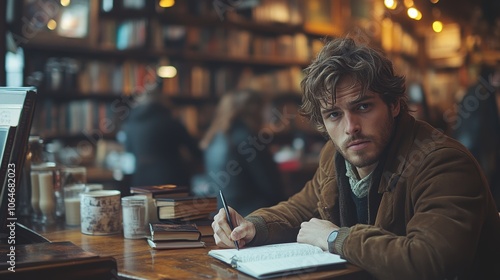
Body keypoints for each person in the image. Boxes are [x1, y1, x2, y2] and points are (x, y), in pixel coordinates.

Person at [212, 37, 500, 280]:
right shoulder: (335, 154)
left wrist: (336, 239)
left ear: (395, 104)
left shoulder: (444, 163)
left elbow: (431, 260)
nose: (350, 127)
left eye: (363, 106)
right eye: (334, 115)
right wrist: (253, 226)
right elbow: (299, 209)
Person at [199, 89, 286, 216]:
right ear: (254, 110)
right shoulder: (249, 139)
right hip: (250, 213)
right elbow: (272, 187)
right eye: (264, 109)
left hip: (221, 212)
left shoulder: (215, 136)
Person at [119, 89, 202, 188]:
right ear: (164, 103)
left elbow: (129, 149)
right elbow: (194, 150)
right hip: (170, 177)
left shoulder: (131, 123)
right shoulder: (171, 122)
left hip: (141, 177)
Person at [452, 62, 500, 210]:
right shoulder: (480, 94)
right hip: (480, 157)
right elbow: (469, 134)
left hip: (482, 155)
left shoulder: (482, 92)